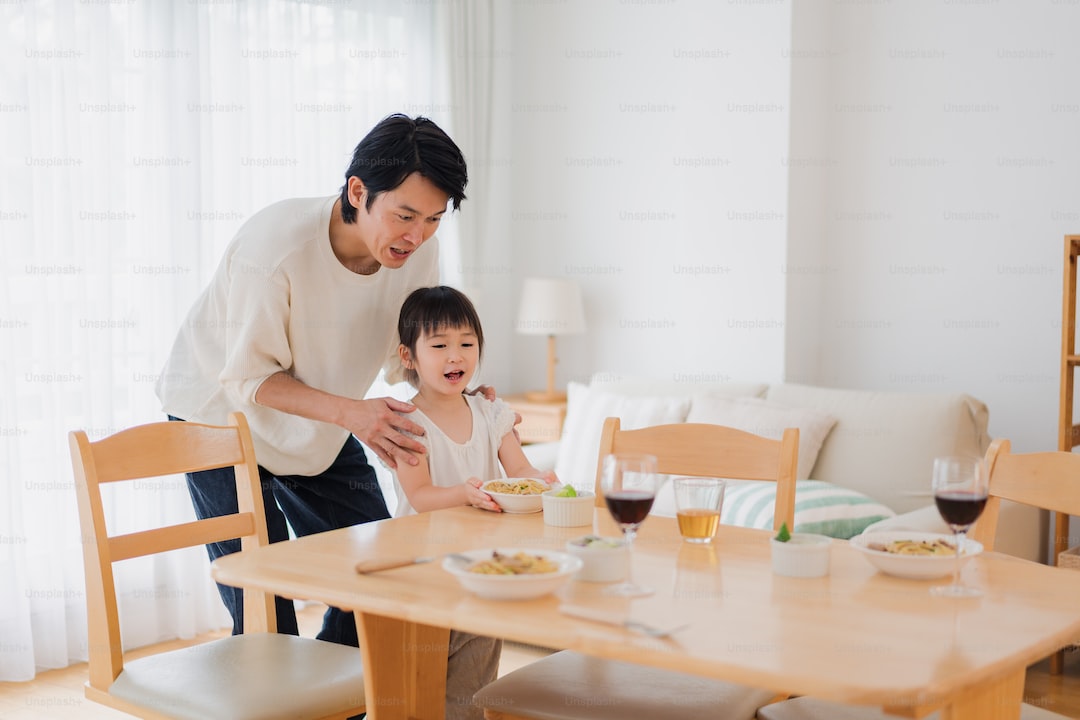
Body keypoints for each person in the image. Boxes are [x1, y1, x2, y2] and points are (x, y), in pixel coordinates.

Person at [155, 114, 470, 646]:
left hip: (321, 417)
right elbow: (249, 375)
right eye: (405, 215)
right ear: (357, 190)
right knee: (264, 613)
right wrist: (354, 414)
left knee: (382, 579)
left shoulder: (419, 252)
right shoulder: (275, 248)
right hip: (219, 417)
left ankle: (330, 702)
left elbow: (410, 353)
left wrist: (459, 392)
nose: (417, 236)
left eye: (435, 219)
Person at [391, 285, 557, 720]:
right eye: (440, 345)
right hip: (422, 570)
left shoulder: (490, 412)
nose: (456, 356)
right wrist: (463, 494)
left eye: (467, 343)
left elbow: (519, 469)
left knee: (473, 680)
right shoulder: (406, 424)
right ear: (408, 356)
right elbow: (420, 496)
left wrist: (542, 481)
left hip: (481, 566)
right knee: (417, 683)